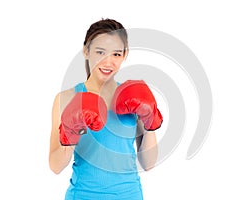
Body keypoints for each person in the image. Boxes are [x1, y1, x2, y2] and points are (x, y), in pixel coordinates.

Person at [49, 18, 163, 200]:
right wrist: (70, 133)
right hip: (83, 195)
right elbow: (55, 166)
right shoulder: (67, 98)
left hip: (129, 195)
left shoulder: (134, 96)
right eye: (100, 52)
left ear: (125, 54)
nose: (108, 62)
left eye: (116, 54)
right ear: (86, 51)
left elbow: (148, 164)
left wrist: (151, 122)